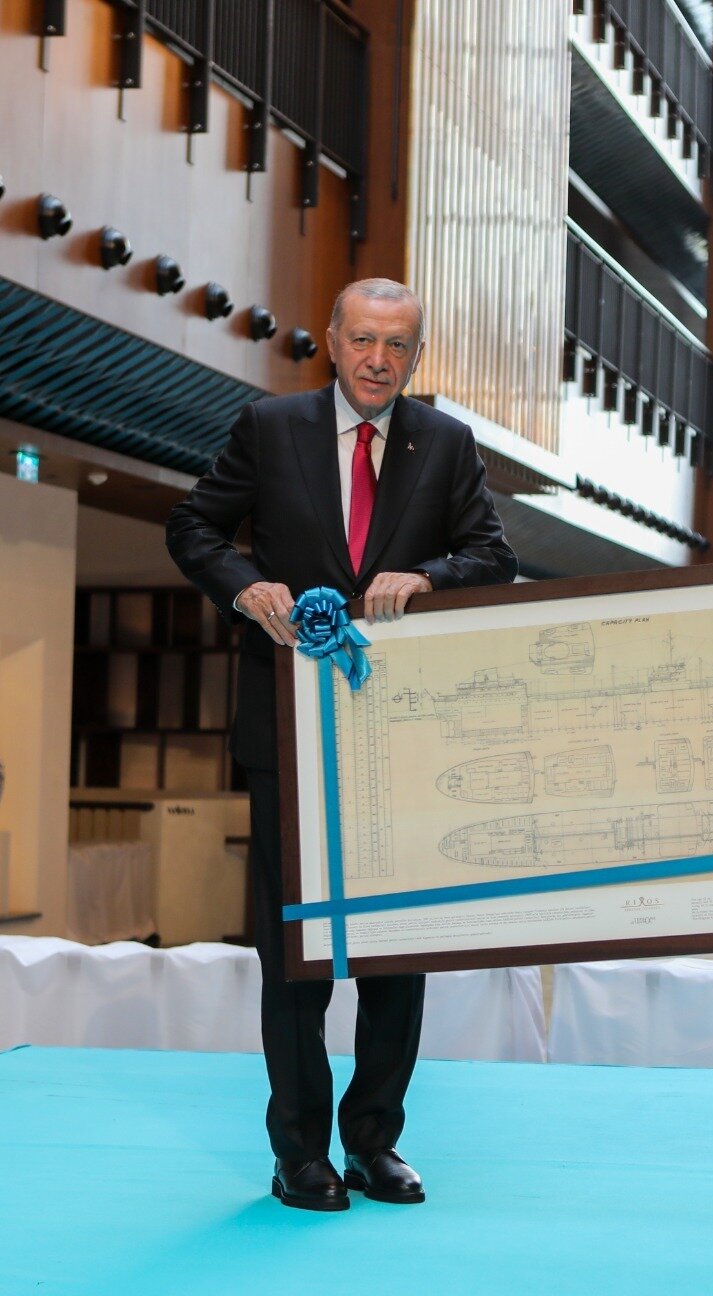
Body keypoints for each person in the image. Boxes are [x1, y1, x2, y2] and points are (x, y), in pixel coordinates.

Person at [166, 278, 517, 1211]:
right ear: (330, 340)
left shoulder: (446, 443)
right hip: (286, 734)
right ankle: (299, 1155)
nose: (377, 360)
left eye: (397, 345)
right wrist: (245, 586)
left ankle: (373, 1143)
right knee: (296, 957)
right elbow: (193, 525)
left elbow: (493, 555)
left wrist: (430, 576)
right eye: (363, 339)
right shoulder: (269, 427)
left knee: (398, 951)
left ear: (417, 356)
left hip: (403, 741)